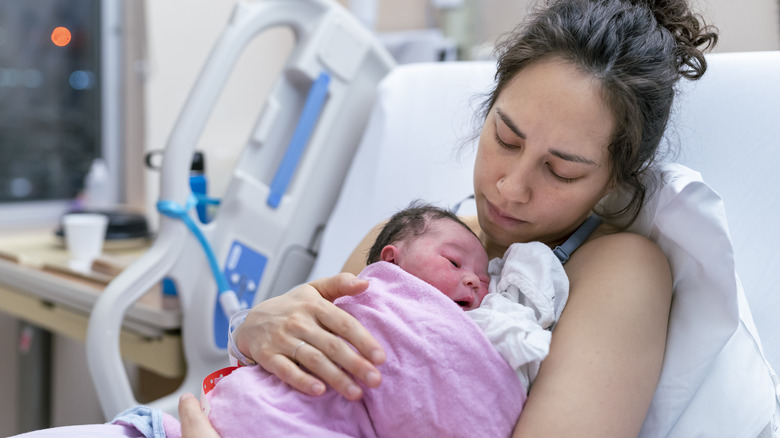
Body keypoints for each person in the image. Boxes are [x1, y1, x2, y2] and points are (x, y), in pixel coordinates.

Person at [229, 0, 718, 436]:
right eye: (506, 139)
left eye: (561, 170)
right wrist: (250, 331)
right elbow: (307, 388)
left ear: (615, 179)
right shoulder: (399, 240)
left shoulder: (619, 269)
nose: (511, 188)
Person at [171, 202, 567, 437]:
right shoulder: (378, 281)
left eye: (483, 282)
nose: (473, 281)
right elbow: (304, 341)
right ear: (391, 261)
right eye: (506, 139)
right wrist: (248, 329)